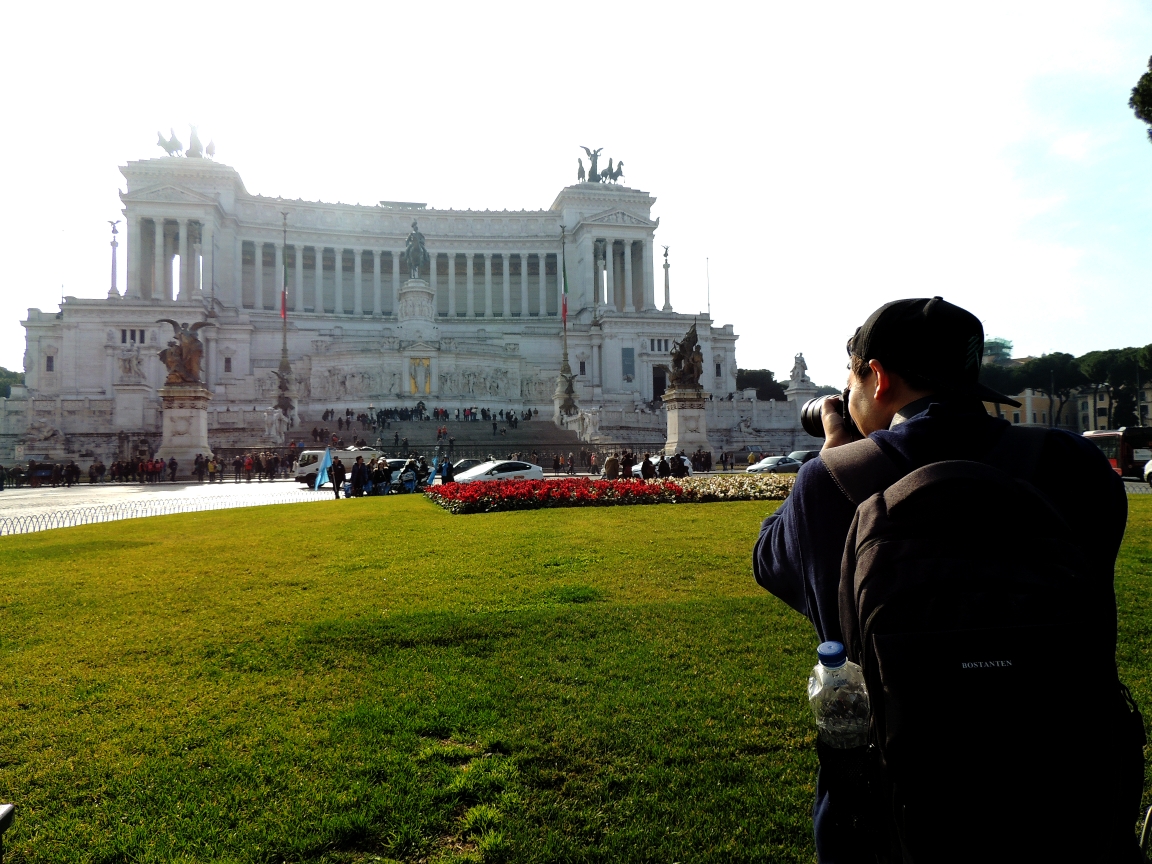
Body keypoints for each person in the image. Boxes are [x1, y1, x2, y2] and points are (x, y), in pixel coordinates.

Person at [752, 297, 1140, 862]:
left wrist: (833, 456)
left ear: (877, 377)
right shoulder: (1074, 465)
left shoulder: (834, 480)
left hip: (898, 806)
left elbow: (773, 564)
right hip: (1067, 784)